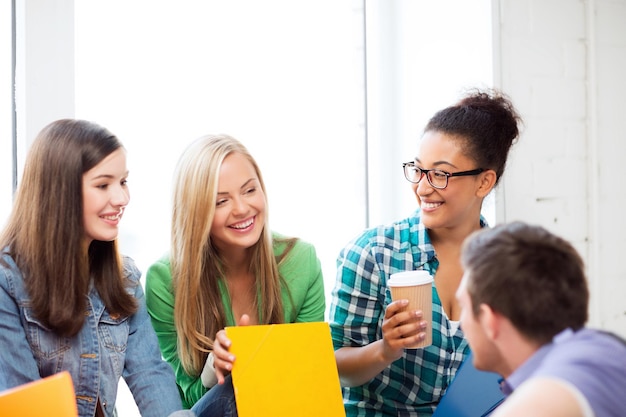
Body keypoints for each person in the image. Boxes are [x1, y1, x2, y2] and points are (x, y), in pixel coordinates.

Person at [328, 88, 523, 416]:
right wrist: (384, 350)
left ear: (484, 182)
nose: (422, 187)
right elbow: (334, 367)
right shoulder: (374, 254)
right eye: (418, 170)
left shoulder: (510, 271)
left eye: (440, 174)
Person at [0, 119, 185, 417]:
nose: (122, 198)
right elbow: (27, 406)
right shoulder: (6, 282)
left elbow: (149, 373)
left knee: (232, 392)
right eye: (103, 185)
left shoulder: (123, 277)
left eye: (123, 182)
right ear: (60, 192)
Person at [145, 134, 326, 417]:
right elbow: (183, 401)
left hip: (284, 408)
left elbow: (309, 378)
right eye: (220, 201)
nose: (242, 209)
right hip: (211, 410)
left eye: (250, 190)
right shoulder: (166, 279)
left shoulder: (301, 261)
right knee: (234, 388)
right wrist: (212, 369)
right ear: (197, 212)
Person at [457, 221, 626, 417]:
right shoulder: (601, 347)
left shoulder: (568, 378)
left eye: (464, 307)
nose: (462, 323)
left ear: (488, 320)